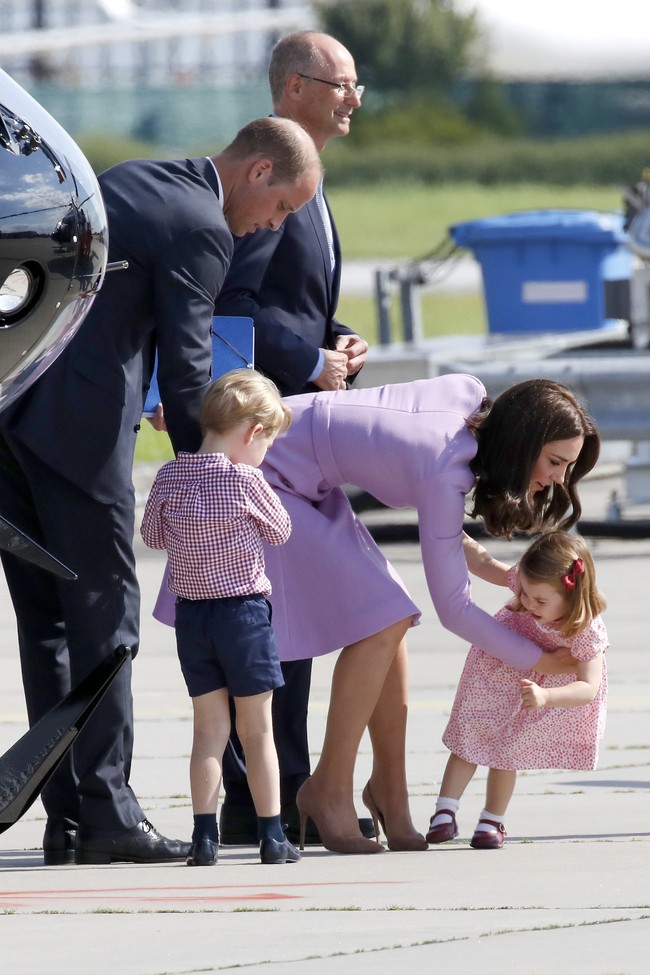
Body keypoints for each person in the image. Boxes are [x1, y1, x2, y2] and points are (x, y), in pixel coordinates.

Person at [0, 116, 321, 866]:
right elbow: (187, 370)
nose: (266, 227)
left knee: (44, 623)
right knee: (109, 620)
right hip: (80, 440)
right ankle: (109, 813)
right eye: (278, 211)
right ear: (259, 173)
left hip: (14, 422)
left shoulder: (135, 178)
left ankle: (69, 815)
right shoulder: (204, 227)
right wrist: (207, 479)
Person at [155, 373, 600, 854]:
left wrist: (504, 575)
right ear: (520, 442)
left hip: (303, 477)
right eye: (555, 462)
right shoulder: (445, 464)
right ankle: (328, 791)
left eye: (567, 467)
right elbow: (454, 609)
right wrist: (536, 658)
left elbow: (442, 525)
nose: (558, 478)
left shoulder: (469, 400)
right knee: (386, 613)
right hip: (265, 475)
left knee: (391, 613)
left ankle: (389, 790)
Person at [214, 30, 370, 845]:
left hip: (297, 419)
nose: (353, 98)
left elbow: (295, 299)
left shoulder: (309, 172)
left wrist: (335, 340)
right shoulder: (270, 174)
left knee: (292, 618)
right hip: (264, 439)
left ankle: (290, 789)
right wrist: (306, 357)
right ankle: (260, 800)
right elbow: (235, 306)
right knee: (267, 621)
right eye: (342, 84)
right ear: (295, 87)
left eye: (357, 86)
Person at [141, 371, 301, 866]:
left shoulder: (171, 475)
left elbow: (151, 536)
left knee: (208, 731)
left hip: (193, 618)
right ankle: (272, 836)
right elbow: (281, 531)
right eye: (267, 442)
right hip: (244, 615)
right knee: (257, 731)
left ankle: (204, 838)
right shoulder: (247, 479)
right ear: (252, 431)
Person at [427, 530, 608, 850]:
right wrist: (452, 529)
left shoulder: (585, 628)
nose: (527, 603)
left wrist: (547, 696)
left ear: (572, 595)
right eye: (524, 593)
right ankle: (444, 811)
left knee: (507, 751)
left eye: (539, 600)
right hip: (497, 669)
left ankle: (490, 821)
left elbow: (588, 687)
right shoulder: (530, 583)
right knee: (470, 733)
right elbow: (484, 564)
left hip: (538, 689)